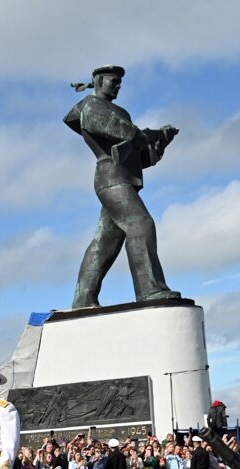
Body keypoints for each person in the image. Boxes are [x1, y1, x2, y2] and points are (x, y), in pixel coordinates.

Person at [64, 65, 181, 308]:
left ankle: (83, 299)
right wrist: (147, 135)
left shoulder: (119, 111)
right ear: (97, 80)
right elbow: (123, 132)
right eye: (113, 80)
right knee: (140, 225)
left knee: (105, 243)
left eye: (120, 82)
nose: (118, 85)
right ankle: (149, 290)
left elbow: (136, 154)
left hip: (122, 176)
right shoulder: (90, 106)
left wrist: (158, 143)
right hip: (110, 177)